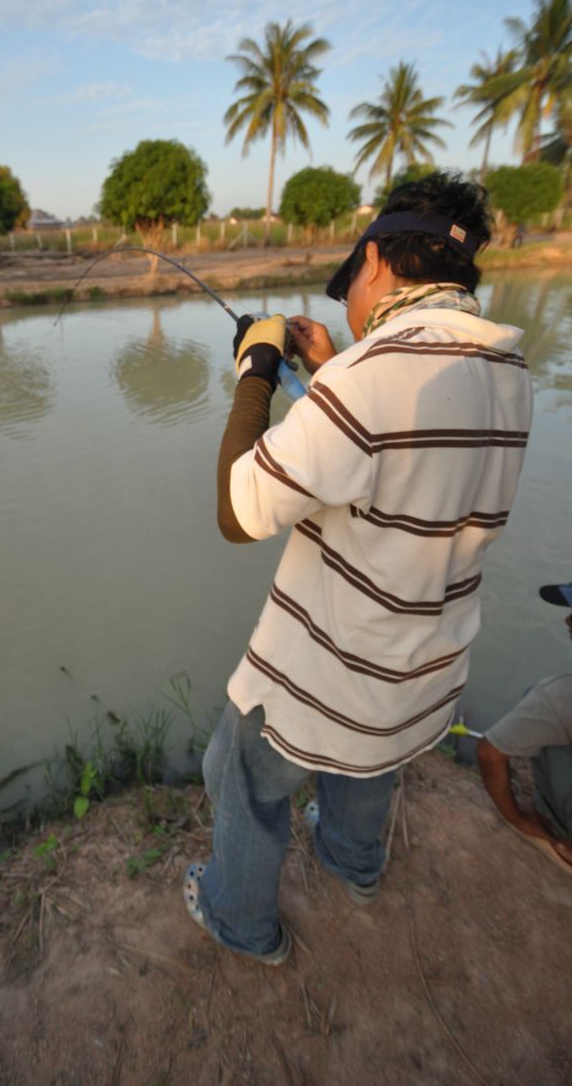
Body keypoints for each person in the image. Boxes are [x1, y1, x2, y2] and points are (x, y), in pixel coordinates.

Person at [182, 172, 533, 966]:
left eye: (350, 281)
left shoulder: (367, 383)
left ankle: (240, 920)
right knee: (369, 761)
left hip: (332, 669)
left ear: (376, 261)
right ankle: (354, 865)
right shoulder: (510, 374)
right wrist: (333, 365)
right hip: (424, 670)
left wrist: (258, 370)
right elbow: (393, 453)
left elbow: (241, 511)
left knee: (236, 769)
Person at [477, 579, 572, 875]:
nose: (568, 620)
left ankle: (555, 828)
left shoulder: (560, 695)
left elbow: (489, 753)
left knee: (534, 704)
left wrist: (516, 819)